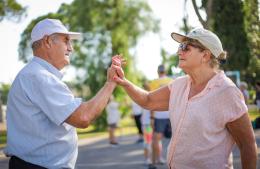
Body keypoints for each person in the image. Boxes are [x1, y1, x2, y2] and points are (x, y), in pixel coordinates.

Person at [111, 28, 257, 169]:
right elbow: (148, 100)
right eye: (180, 46)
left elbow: (247, 145)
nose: (178, 51)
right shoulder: (179, 85)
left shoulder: (227, 92)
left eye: (186, 47)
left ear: (205, 55)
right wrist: (123, 82)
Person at [4, 18, 118, 169]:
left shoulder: (35, 74)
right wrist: (111, 83)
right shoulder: (38, 76)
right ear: (47, 41)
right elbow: (83, 117)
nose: (71, 48)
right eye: (66, 41)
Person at [149, 64, 172, 166]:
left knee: (156, 139)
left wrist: (152, 117)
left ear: (158, 72)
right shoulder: (171, 81)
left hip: (159, 115)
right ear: (165, 71)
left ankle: (156, 161)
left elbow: (151, 101)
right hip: (171, 114)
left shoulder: (154, 83)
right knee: (177, 139)